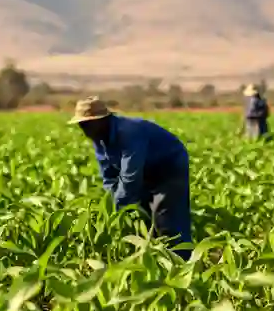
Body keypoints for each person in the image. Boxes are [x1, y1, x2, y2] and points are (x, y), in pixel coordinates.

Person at [71, 97, 193, 260]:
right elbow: (109, 177)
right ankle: (155, 260)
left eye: (87, 124)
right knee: (145, 216)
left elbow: (130, 176)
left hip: (169, 166)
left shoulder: (129, 132)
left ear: (102, 121)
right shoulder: (99, 140)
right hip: (147, 169)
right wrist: (110, 207)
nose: (84, 129)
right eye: (81, 125)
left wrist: (117, 209)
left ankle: (182, 262)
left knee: (166, 216)